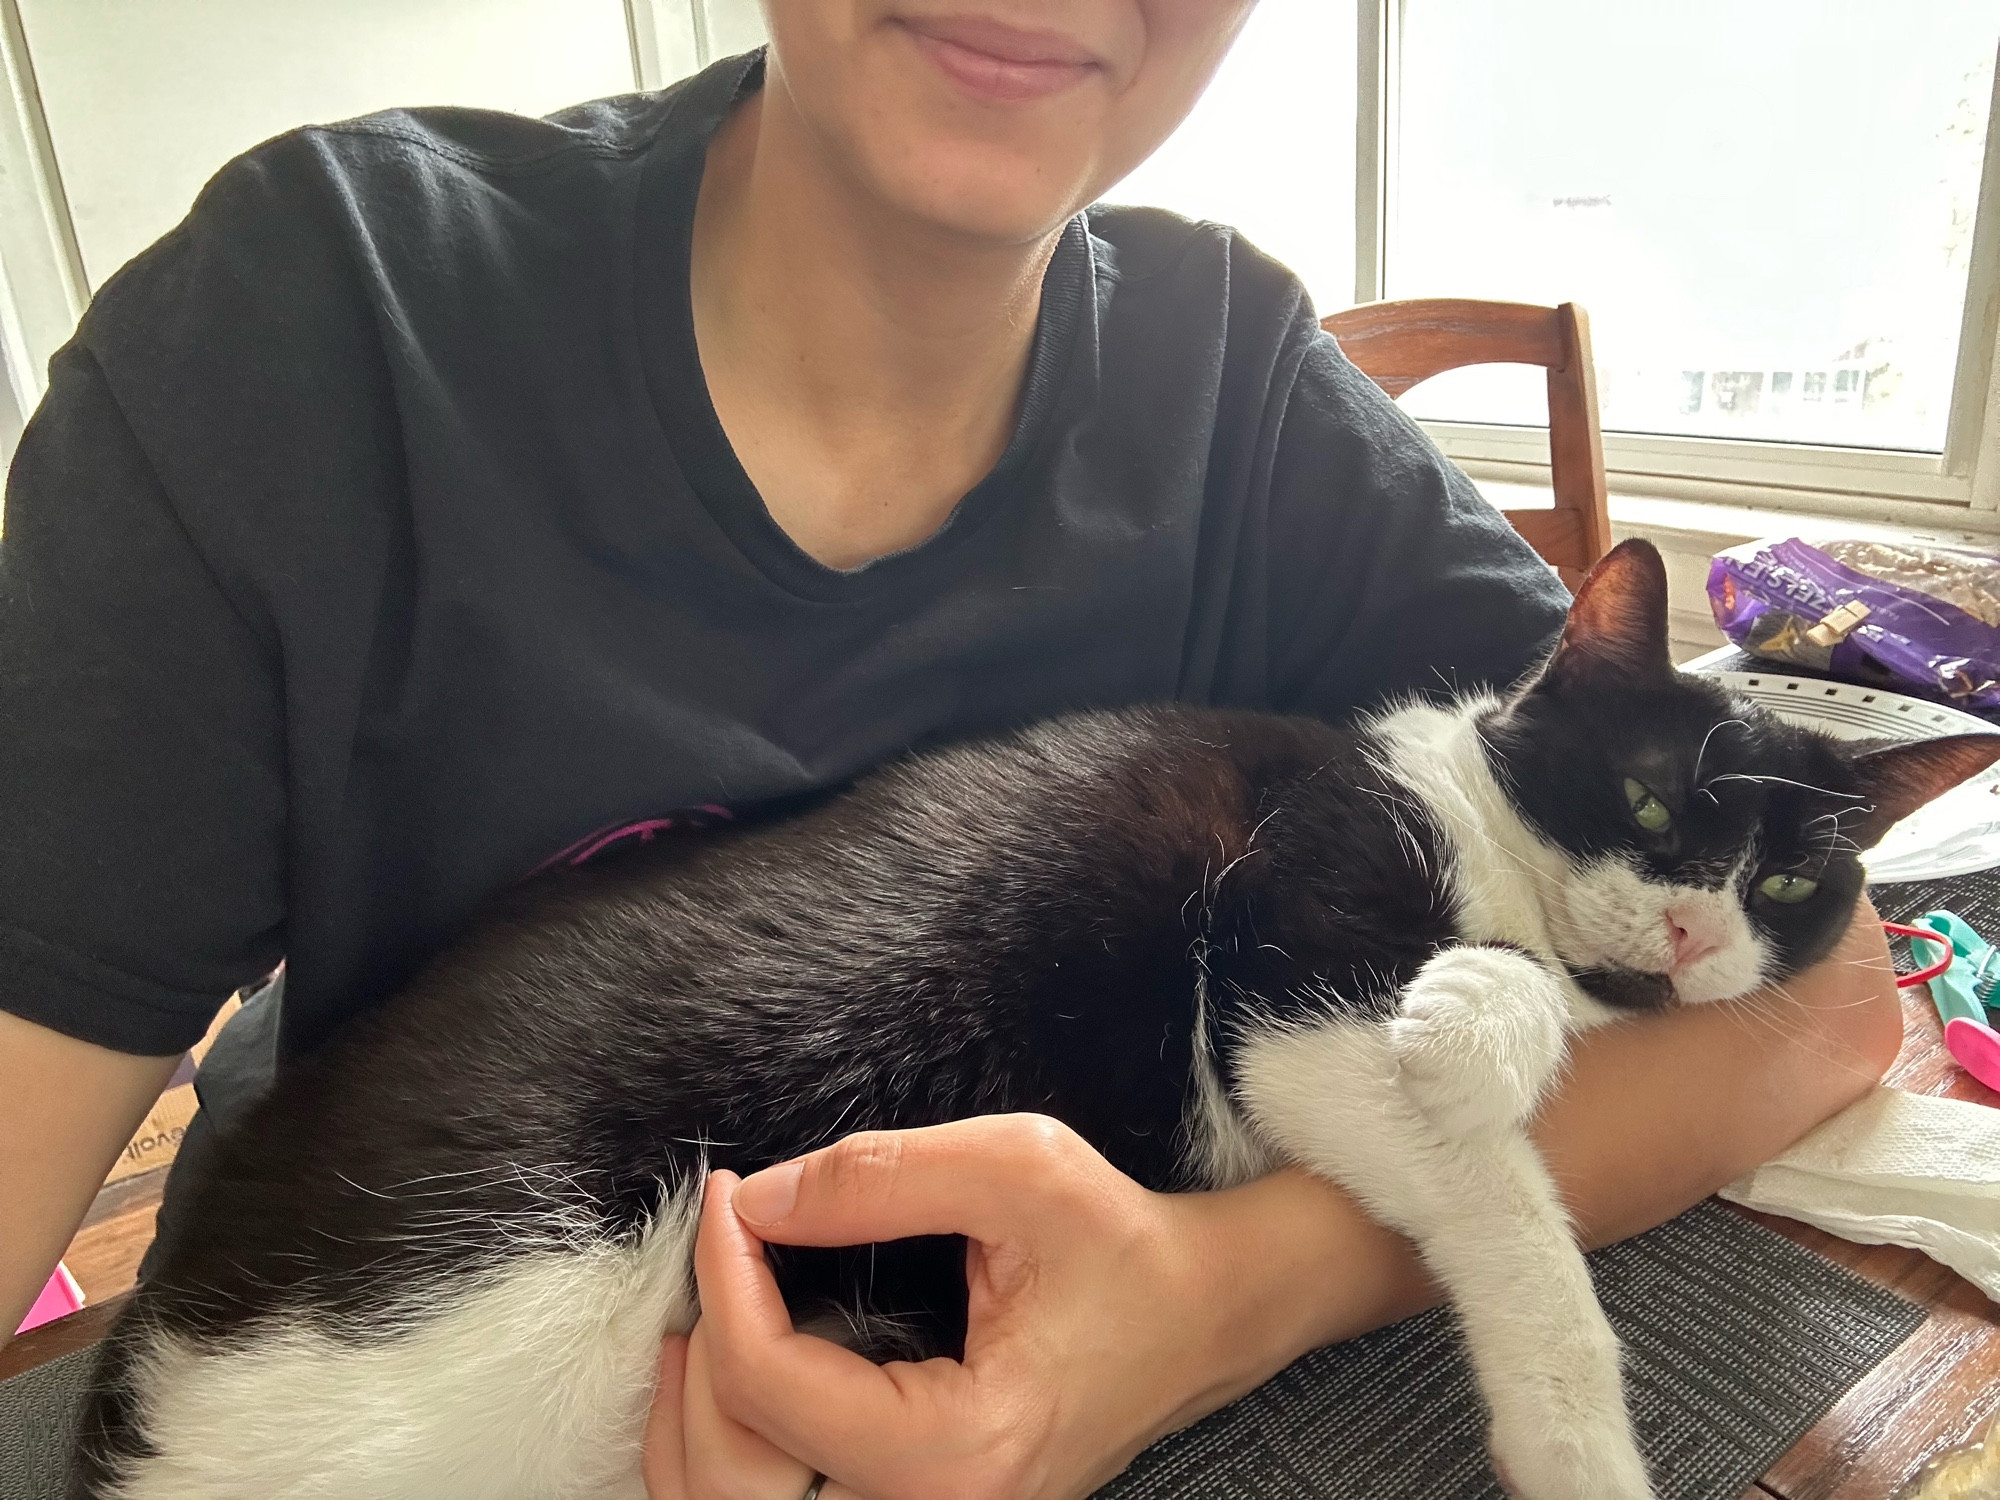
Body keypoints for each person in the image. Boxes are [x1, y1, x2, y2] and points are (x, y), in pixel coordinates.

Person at [0, 4, 1901, 1497]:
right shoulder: (321, 326)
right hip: (385, 1331)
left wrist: (1218, 1305)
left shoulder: (1236, 396)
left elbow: (1818, 1009)